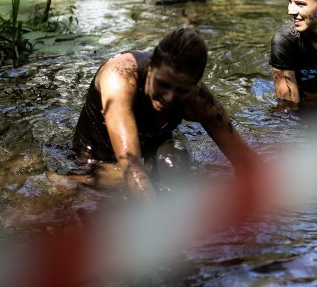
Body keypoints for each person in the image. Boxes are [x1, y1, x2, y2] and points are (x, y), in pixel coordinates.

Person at [73, 27, 261, 203]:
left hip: (152, 150)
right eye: (162, 84)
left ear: (195, 85)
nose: (169, 98)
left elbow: (247, 162)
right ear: (151, 67)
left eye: (181, 90)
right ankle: (67, 180)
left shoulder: (200, 100)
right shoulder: (120, 78)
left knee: (176, 165)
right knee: (128, 184)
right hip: (95, 158)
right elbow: (132, 166)